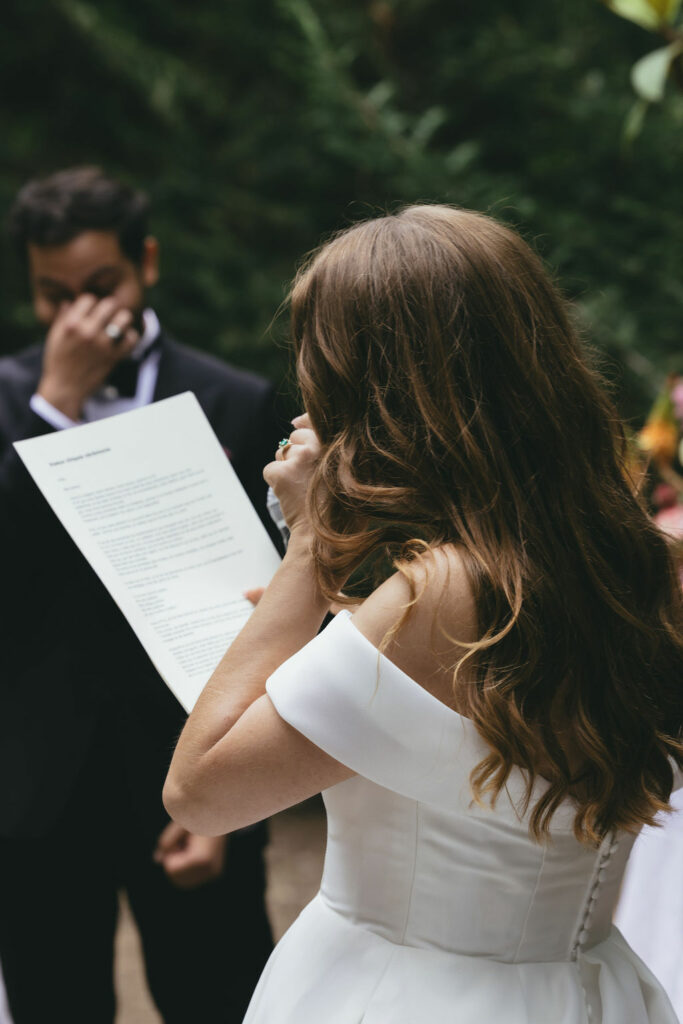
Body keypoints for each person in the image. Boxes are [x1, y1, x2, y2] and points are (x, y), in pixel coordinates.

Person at [164, 205, 683, 1024]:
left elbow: (200, 793)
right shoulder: (650, 565)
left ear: (370, 394)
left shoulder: (437, 592)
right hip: (591, 988)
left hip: (406, 993)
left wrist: (311, 541)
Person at [0, 167, 277, 1023]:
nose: (79, 316)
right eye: (54, 295)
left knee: (218, 1000)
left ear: (146, 263)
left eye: (100, 286)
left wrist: (235, 804)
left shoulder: (237, 400)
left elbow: (271, 611)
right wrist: (53, 407)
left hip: (192, 777)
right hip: (36, 790)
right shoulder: (7, 399)